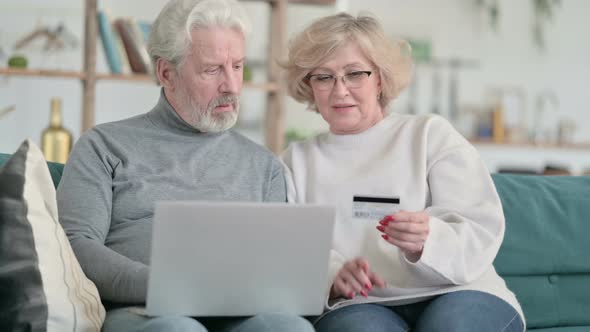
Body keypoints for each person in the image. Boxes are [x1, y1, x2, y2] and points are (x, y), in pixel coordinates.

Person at [56, 0, 314, 331]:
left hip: (241, 312)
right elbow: (77, 244)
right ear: (166, 73)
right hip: (145, 311)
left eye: (237, 66)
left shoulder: (265, 166)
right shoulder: (104, 146)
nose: (232, 86)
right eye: (212, 70)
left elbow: (276, 267)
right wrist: (166, 286)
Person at [280, 12, 525, 332]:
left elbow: (481, 226)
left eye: (355, 74)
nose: (339, 90)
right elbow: (290, 249)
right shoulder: (295, 162)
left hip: (459, 291)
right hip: (360, 302)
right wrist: (333, 275)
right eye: (324, 77)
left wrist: (429, 239)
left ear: (380, 78)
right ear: (308, 85)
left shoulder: (429, 135)